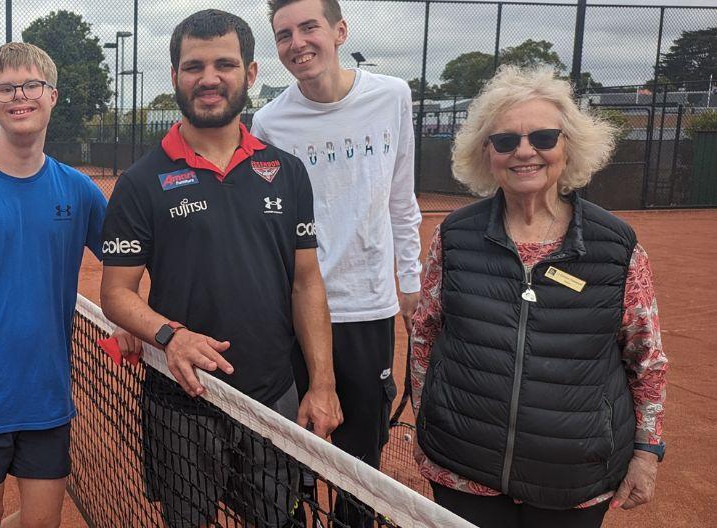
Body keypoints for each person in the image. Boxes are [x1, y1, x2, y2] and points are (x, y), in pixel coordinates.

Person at [100, 9, 341, 526]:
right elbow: (116, 293)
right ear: (175, 77)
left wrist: (321, 385)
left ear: (250, 73)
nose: (209, 79)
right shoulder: (141, 183)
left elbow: (306, 283)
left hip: (272, 401)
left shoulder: (288, 173)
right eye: (194, 66)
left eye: (225, 64)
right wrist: (171, 337)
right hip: (180, 401)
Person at [411, 66, 667, 528]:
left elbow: (645, 359)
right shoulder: (453, 235)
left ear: (568, 146)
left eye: (544, 137)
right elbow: (425, 337)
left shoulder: (617, 246)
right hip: (464, 468)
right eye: (505, 140)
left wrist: (647, 452)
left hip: (573, 477)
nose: (524, 151)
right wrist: (429, 423)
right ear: (486, 152)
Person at [0, 42, 135, 528]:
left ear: (52, 95)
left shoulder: (78, 191)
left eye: (31, 85)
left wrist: (133, 318)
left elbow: (125, 262)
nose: (20, 96)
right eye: (6, 88)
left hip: (47, 398)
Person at [251, 0, 423, 486]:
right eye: (284, 34)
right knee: (293, 455)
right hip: (297, 313)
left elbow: (401, 198)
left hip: (369, 310)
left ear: (340, 31)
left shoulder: (392, 96)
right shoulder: (269, 123)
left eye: (309, 28)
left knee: (362, 460)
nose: (297, 43)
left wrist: (410, 282)